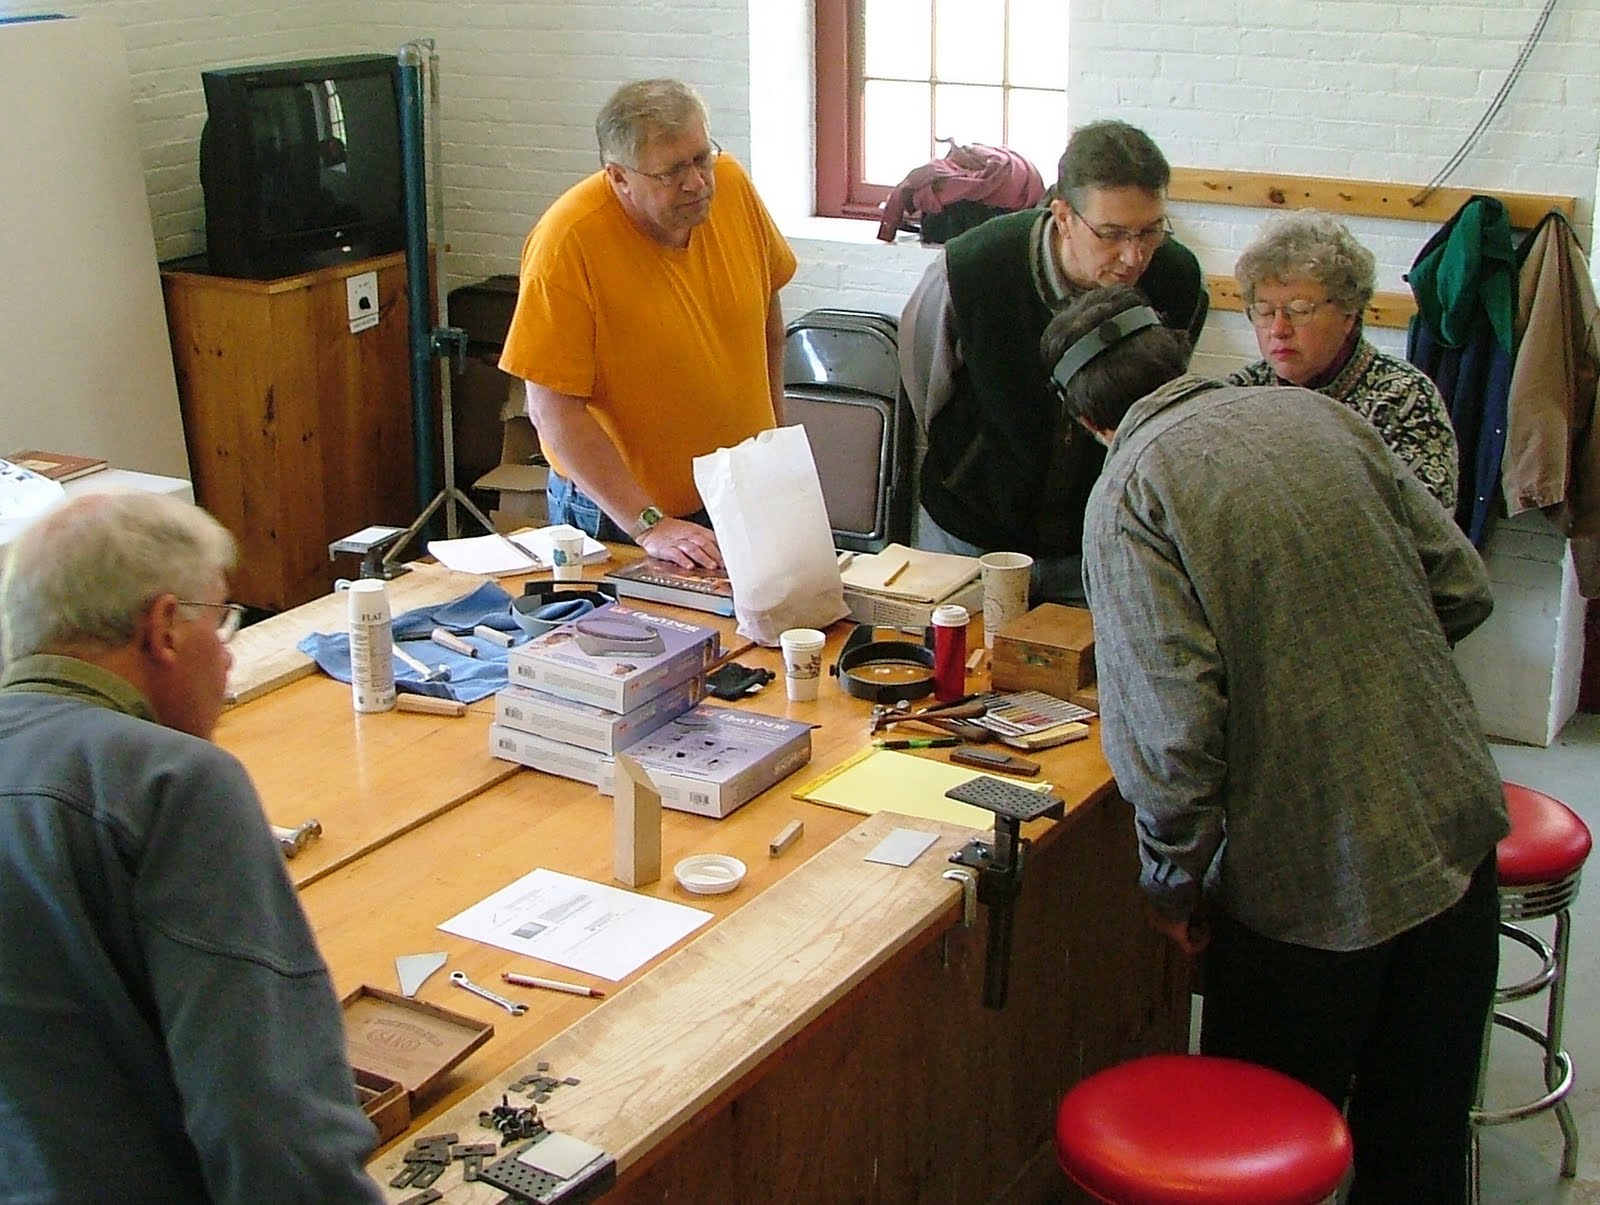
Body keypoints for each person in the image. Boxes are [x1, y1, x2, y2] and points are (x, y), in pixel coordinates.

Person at [1042, 285, 1508, 1201]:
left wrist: (1170, 881)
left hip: (1313, 886)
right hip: (1453, 830)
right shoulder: (1321, 418)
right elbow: (1463, 586)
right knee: (1419, 1147)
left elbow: (1176, 737)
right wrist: (1358, 675)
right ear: (1176, 357)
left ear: (1086, 418)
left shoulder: (1131, 489)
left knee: (1259, 1157)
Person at [0, 493, 383, 1203]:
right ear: (164, 628)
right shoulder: (172, 781)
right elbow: (268, 1119)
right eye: (222, 619)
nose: (229, 652)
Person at [899, 119, 1207, 604]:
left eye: (1150, 231)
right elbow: (924, 391)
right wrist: (972, 463)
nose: (1134, 256)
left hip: (1096, 545)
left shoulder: (1178, 280)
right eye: (1112, 234)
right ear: (1063, 216)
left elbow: (1158, 414)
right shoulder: (973, 268)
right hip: (971, 537)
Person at [499, 78, 797, 570]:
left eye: (702, 158)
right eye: (672, 171)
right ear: (619, 177)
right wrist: (650, 524)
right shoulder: (567, 244)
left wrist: (775, 442)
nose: (698, 183)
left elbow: (766, 315)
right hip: (622, 517)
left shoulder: (733, 188)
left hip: (739, 490)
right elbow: (552, 410)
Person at [1229, 209, 1460, 511]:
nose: (1279, 329)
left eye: (1299, 310)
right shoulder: (1239, 393)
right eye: (1264, 311)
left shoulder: (1402, 399)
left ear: (1348, 313)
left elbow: (1425, 527)